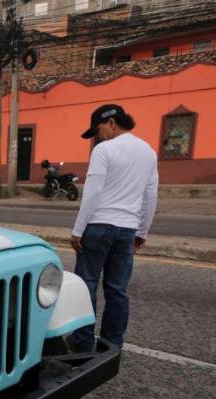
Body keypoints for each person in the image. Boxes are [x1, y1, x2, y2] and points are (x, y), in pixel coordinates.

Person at [69, 104, 158, 352]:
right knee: (117, 290)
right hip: (127, 230)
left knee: (86, 283)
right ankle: (112, 345)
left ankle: (83, 343)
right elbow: (150, 196)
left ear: (111, 123)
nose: (97, 136)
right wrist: (142, 231)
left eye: (97, 129)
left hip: (98, 227)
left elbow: (92, 192)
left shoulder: (103, 150)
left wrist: (78, 230)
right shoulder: (149, 152)